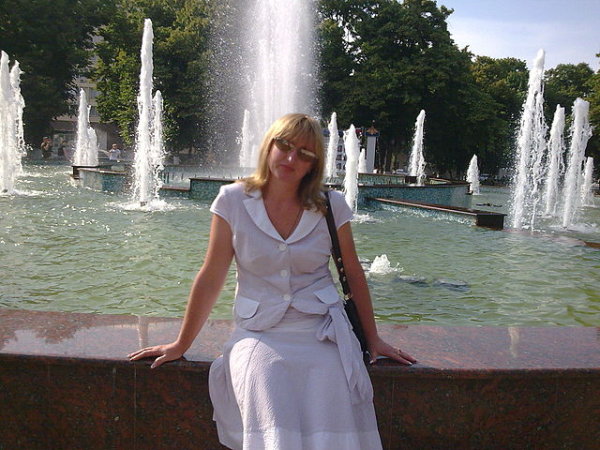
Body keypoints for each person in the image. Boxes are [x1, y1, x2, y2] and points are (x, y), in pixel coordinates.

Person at [128, 113, 415, 449]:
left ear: (314, 164)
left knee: (332, 385)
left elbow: (352, 273)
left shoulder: (331, 205)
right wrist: (181, 344)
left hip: (321, 331)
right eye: (285, 145)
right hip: (259, 331)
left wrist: (373, 338)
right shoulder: (232, 200)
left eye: (305, 154)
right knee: (266, 382)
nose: (291, 158)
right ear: (269, 145)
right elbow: (211, 276)